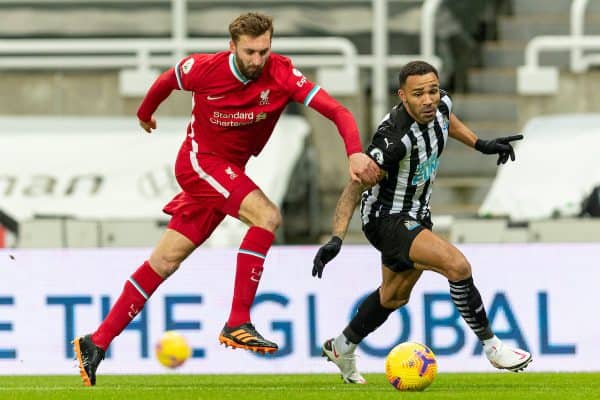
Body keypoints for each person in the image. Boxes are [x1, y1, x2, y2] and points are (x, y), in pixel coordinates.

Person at [72, 12, 379, 386]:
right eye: (250, 52)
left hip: (226, 171)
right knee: (267, 216)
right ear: (232, 46)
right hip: (200, 163)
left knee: (165, 261)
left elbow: (338, 111)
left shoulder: (281, 73)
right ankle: (237, 320)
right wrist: (145, 114)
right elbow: (167, 80)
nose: (257, 60)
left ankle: (96, 342)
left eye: (264, 50)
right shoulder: (204, 69)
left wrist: (354, 151)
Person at [312, 60, 531, 384]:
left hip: (417, 214)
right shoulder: (393, 140)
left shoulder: (440, 105)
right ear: (402, 96)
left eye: (433, 90)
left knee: (394, 297)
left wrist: (480, 144)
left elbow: (448, 121)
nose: (429, 99)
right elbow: (353, 188)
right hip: (386, 219)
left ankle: (342, 346)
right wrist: (337, 238)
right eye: (419, 94)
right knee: (457, 266)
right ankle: (492, 347)